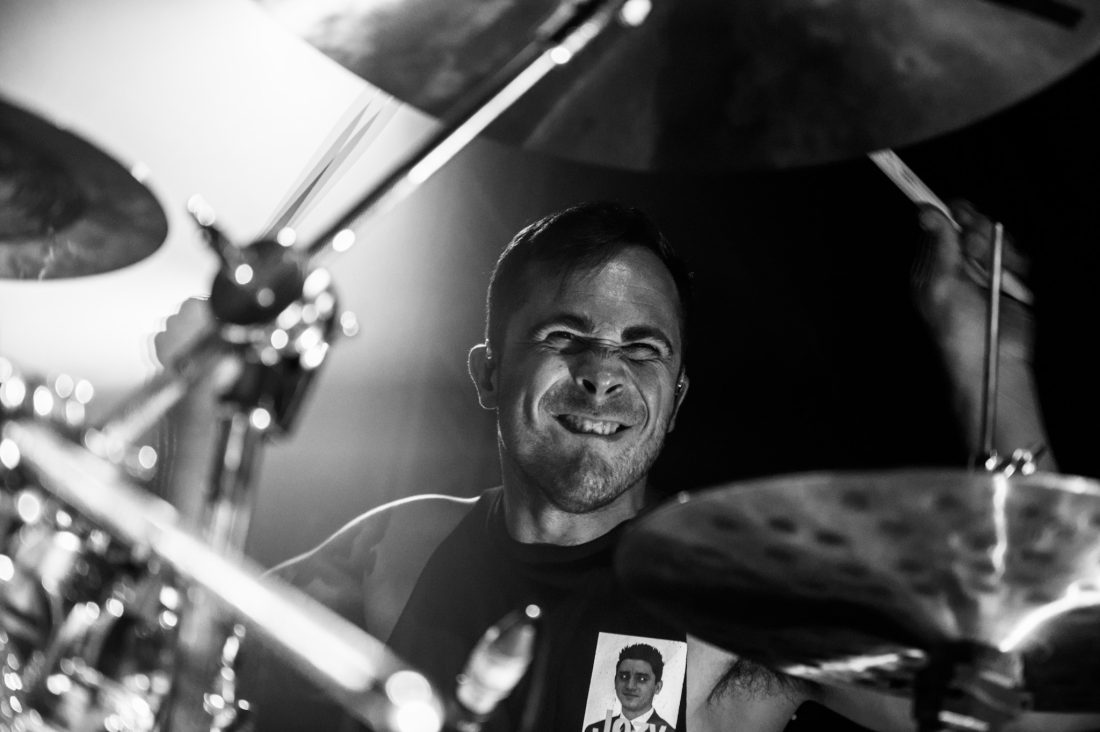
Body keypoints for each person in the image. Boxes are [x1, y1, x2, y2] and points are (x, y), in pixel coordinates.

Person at [244, 199, 1094, 732]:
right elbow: (193, 640)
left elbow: (1045, 711)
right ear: (488, 375)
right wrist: (203, 410)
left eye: (642, 349)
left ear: (676, 397)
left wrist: (993, 365)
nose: (603, 373)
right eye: (564, 336)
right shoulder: (399, 545)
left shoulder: (737, 595)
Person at [584, 644, 678, 732]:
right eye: (624, 676)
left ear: (657, 687)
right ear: (615, 681)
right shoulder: (594, 729)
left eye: (642, 679)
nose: (630, 686)